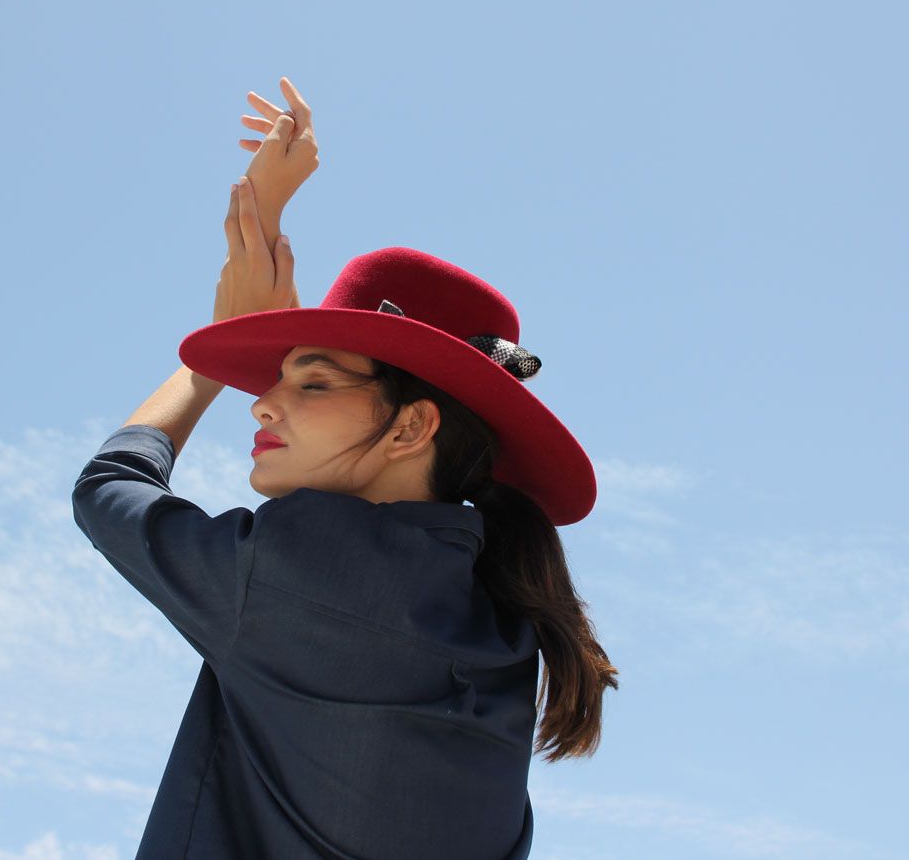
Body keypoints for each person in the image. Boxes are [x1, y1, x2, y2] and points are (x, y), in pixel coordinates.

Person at [72, 77, 619, 859]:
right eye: (275, 380)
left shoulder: (302, 568)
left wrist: (214, 352)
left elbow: (108, 490)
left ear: (412, 426)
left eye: (313, 382)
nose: (263, 404)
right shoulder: (504, 638)